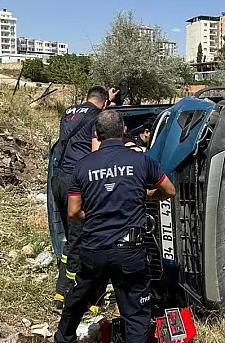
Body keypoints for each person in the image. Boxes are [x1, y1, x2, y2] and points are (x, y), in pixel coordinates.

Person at [55, 110, 176, 343]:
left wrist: (95, 217)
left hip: (94, 249)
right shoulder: (141, 161)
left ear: (97, 134)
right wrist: (148, 195)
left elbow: (73, 211)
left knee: (77, 299)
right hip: (129, 251)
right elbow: (169, 190)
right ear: (124, 130)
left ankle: (63, 338)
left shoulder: (83, 165)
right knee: (136, 313)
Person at [51, 86, 117, 310]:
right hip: (77, 181)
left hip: (59, 179)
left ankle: (63, 290)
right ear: (105, 103)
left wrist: (107, 101)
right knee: (83, 237)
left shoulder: (69, 112)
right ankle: (74, 294)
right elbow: (96, 152)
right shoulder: (97, 118)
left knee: (72, 237)